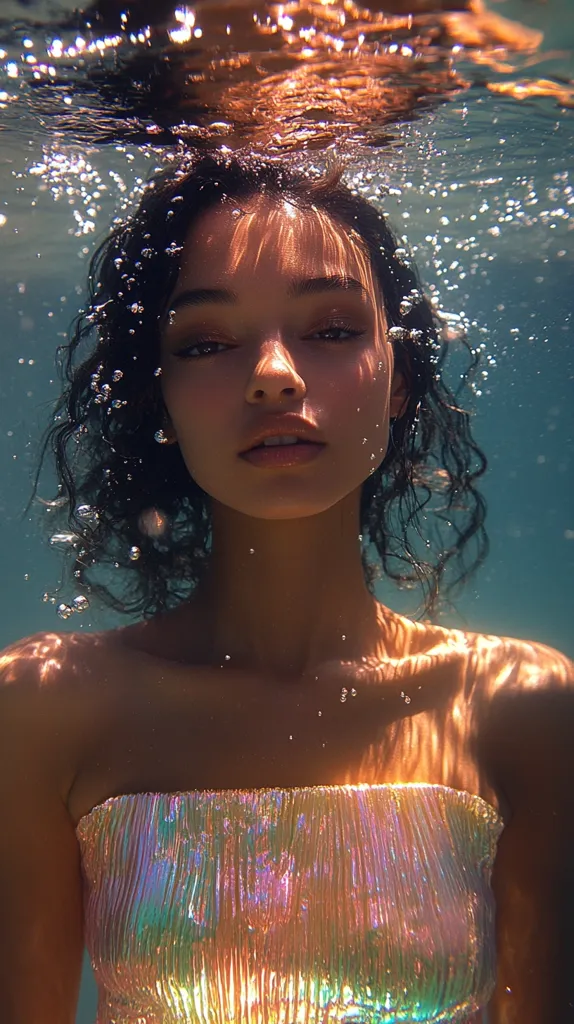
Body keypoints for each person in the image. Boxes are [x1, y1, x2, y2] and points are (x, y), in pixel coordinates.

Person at [0, 150, 572, 1024]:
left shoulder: (524, 707)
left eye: (332, 329)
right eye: (207, 342)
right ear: (158, 400)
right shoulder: (37, 708)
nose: (274, 372)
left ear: (399, 377)